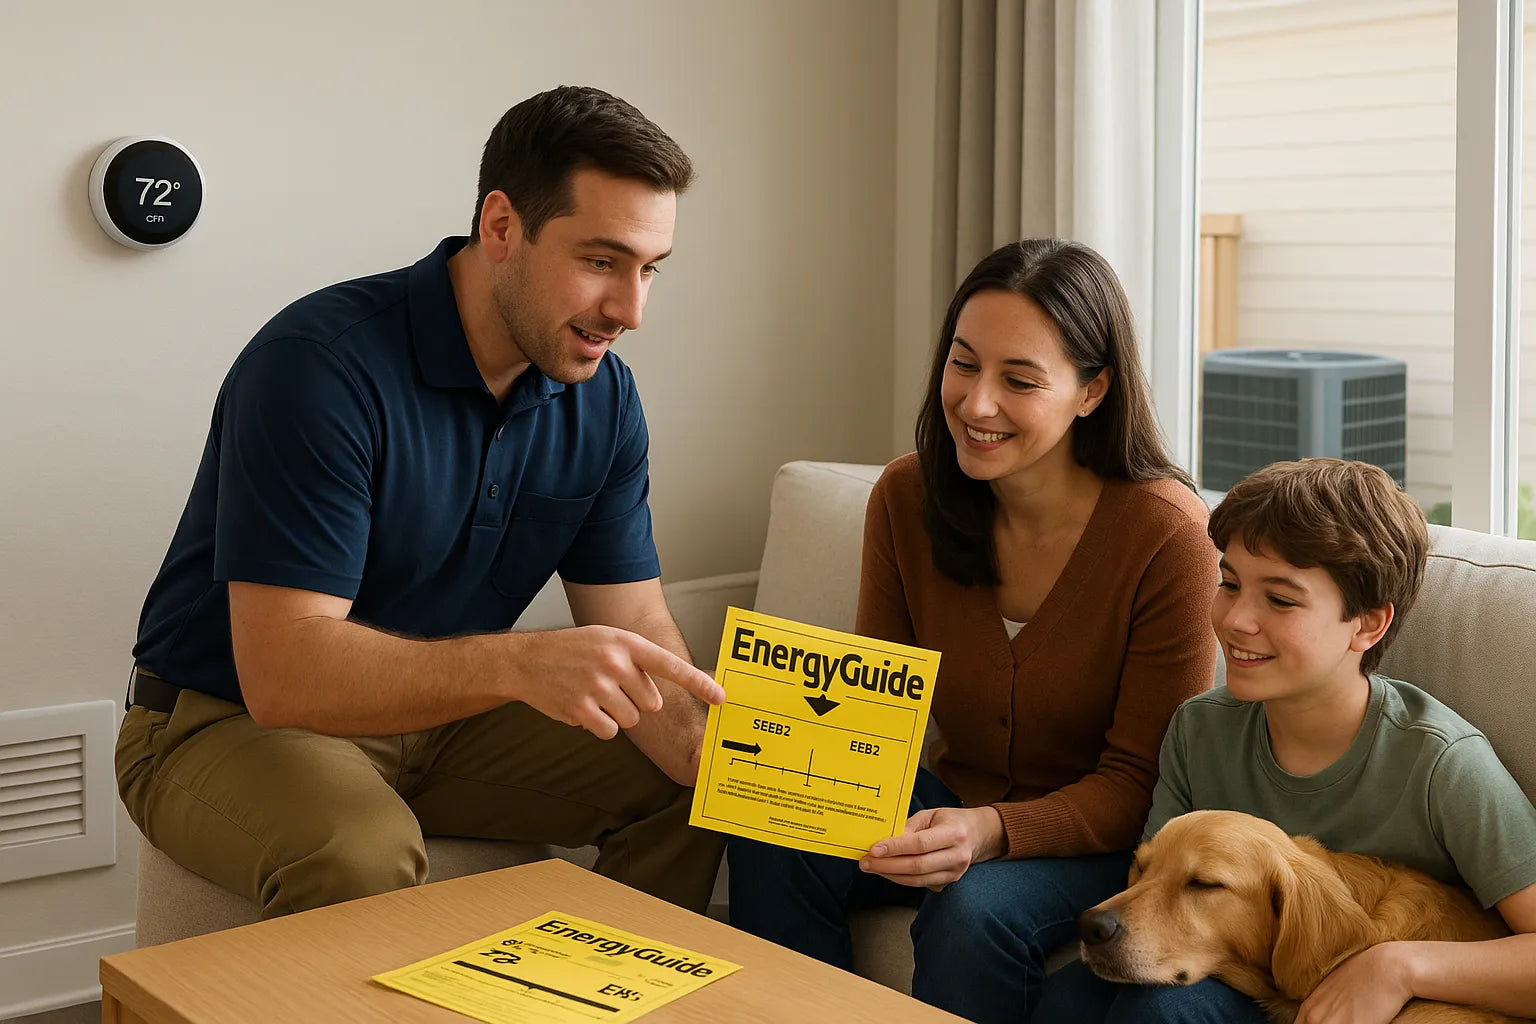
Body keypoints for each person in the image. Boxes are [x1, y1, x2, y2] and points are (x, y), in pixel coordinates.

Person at [115, 85, 730, 919]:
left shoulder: (603, 398)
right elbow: (285, 675)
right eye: (600, 262)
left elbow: (638, 623)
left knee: (693, 791)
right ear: (502, 226)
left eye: (648, 270)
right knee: (360, 854)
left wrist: (713, 751)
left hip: (447, 718)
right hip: (219, 717)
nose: (630, 310)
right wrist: (521, 665)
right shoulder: (320, 367)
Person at [727, 238, 1219, 1022]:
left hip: (1105, 845)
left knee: (973, 909)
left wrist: (993, 830)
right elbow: (872, 712)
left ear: (1092, 391)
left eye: (1019, 380)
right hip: (952, 801)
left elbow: (1144, 784)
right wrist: (778, 743)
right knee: (774, 813)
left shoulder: (1168, 537)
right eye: (964, 363)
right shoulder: (906, 497)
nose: (977, 403)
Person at [1037, 459, 1536, 1023]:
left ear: (1367, 625)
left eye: (1280, 599)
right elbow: (1155, 889)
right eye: (1229, 584)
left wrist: (1399, 966)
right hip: (1258, 981)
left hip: (1381, 995)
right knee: (1069, 998)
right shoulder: (1200, 729)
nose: (1237, 620)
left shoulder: (1442, 761)